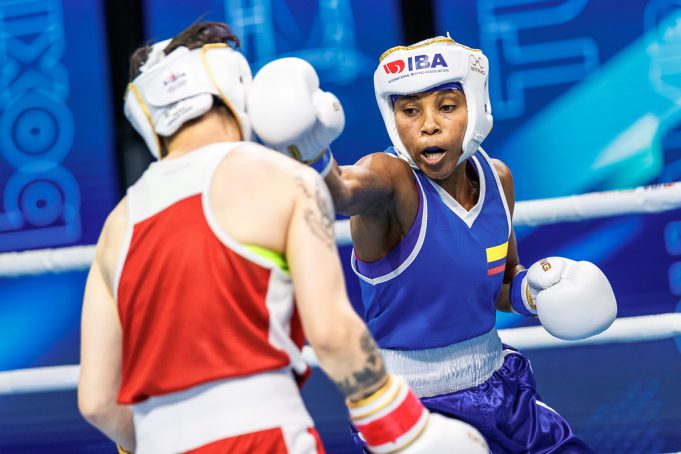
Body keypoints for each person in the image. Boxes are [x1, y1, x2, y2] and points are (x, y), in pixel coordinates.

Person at [77, 23, 489, 454]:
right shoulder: (280, 180)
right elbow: (331, 334)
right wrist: (407, 431)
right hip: (264, 434)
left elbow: (97, 402)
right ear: (237, 87)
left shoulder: (117, 226)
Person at [247, 35, 618, 453]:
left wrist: (532, 293)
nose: (427, 125)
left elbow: (499, 283)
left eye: (446, 106)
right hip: (414, 406)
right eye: (409, 111)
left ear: (475, 106)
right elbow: (344, 191)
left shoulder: (497, 178)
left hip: (501, 383)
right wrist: (308, 150)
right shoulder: (391, 180)